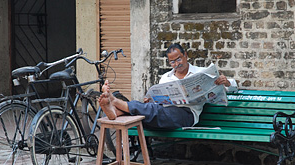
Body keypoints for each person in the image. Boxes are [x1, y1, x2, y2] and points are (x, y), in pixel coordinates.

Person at [98, 43, 237, 130]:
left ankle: (116, 103)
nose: (177, 64)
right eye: (172, 62)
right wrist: (150, 100)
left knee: (154, 112)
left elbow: (234, 88)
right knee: (152, 110)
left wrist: (227, 82)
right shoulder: (165, 78)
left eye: (179, 59)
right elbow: (158, 101)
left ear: (185, 56)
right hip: (164, 113)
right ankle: (116, 112)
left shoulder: (201, 73)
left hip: (186, 115)